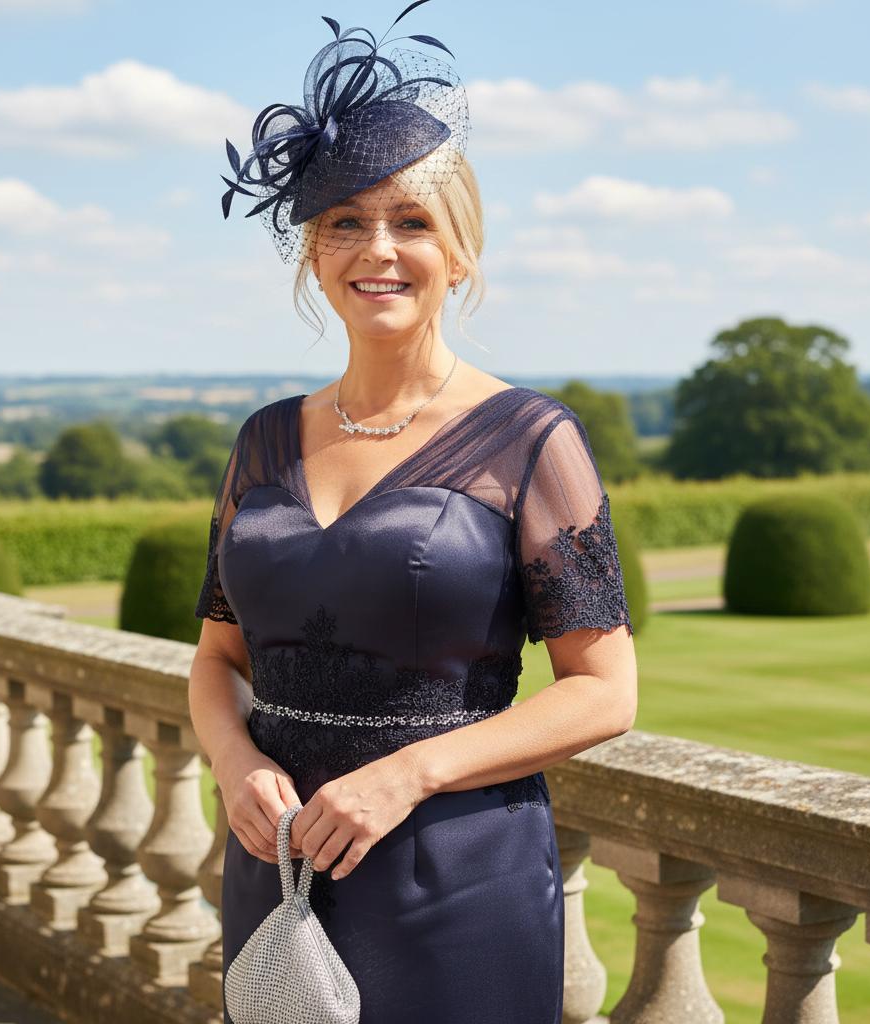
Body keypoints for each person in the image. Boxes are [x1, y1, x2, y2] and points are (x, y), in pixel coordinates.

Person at [188, 4, 637, 1021]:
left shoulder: (531, 439)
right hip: (280, 869)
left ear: (461, 251)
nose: (376, 248)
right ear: (313, 253)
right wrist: (233, 758)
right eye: (345, 220)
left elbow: (604, 691)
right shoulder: (260, 442)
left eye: (412, 221)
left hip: (456, 873)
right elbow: (217, 660)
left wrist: (406, 776)